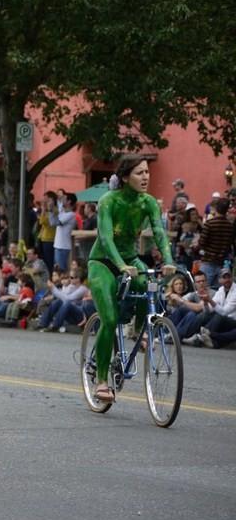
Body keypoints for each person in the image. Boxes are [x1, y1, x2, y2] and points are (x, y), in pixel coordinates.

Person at [87, 155, 175, 402]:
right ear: (125, 177)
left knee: (149, 285)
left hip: (130, 260)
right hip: (103, 262)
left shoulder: (148, 203)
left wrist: (168, 260)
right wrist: (121, 265)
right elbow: (105, 237)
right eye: (139, 173)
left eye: (147, 172)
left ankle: (138, 330)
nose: (145, 177)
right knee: (111, 318)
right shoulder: (108, 201)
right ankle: (101, 381)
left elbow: (159, 231)